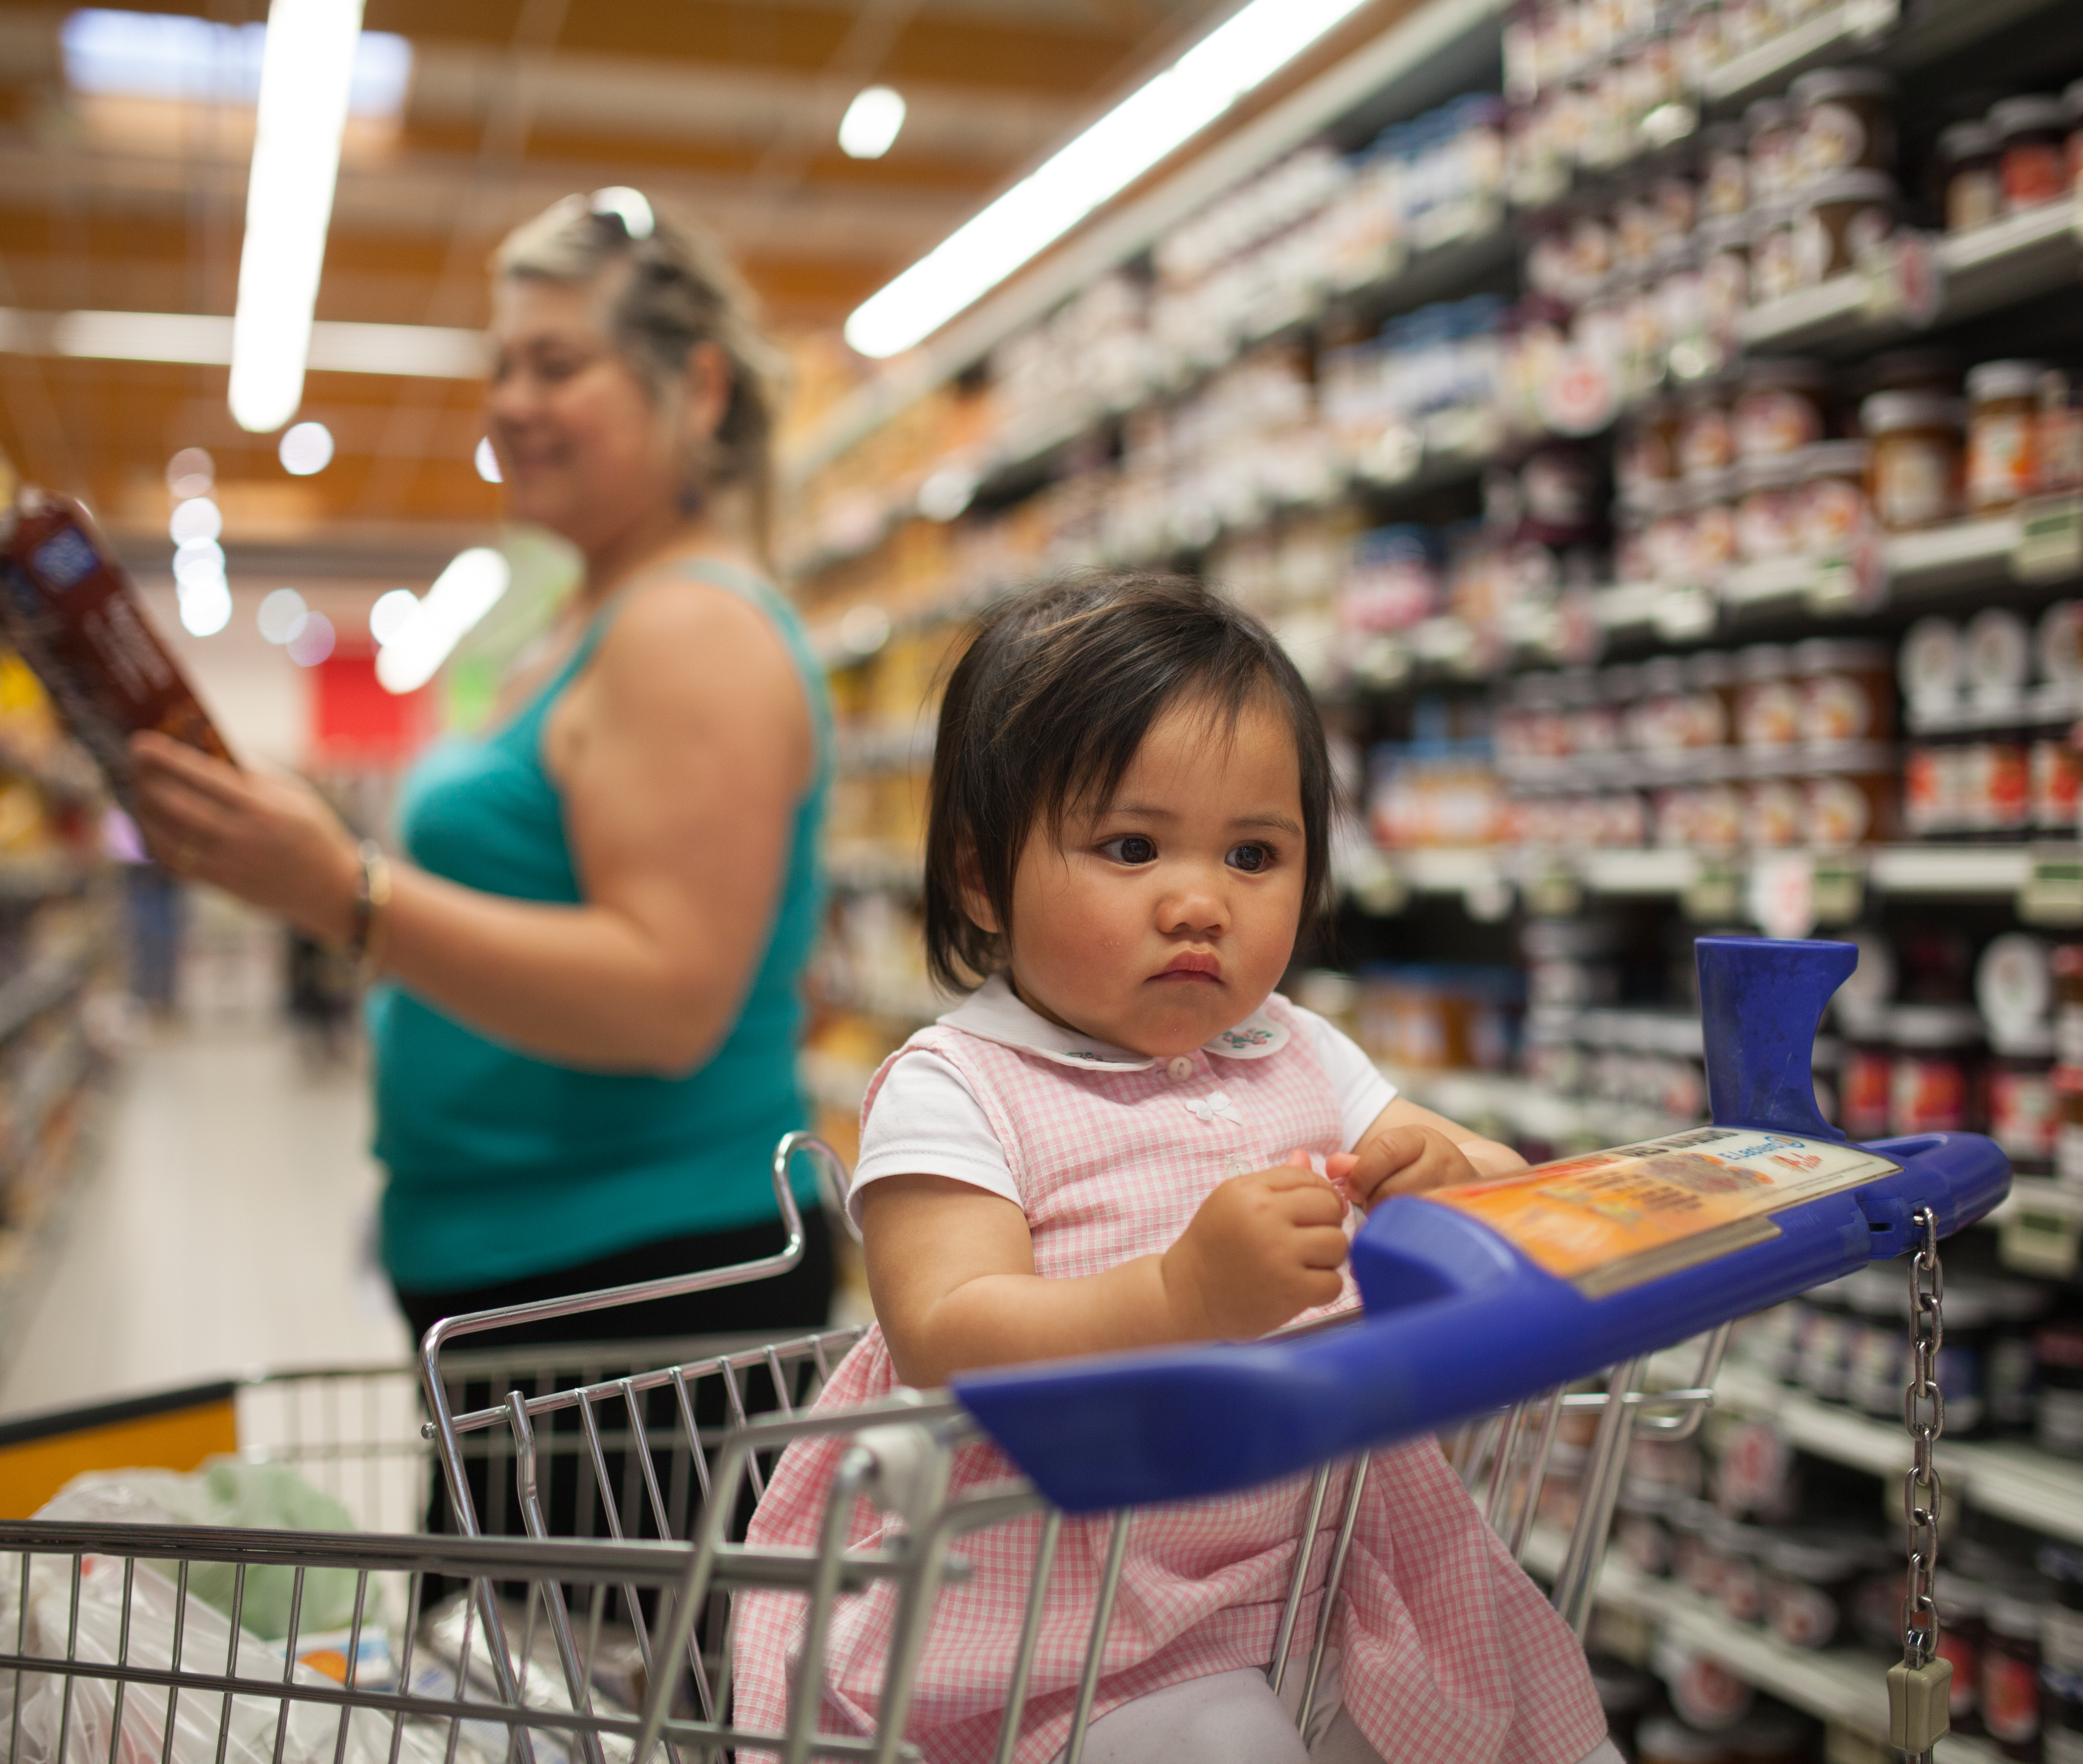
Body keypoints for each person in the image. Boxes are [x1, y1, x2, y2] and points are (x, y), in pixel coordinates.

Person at [730, 575, 1612, 1764]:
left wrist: (1448, 1174)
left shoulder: (1299, 1047)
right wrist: (1181, 1299)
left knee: (1516, 1700)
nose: (1199, 903)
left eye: (1254, 854)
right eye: (1132, 847)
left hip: (1329, 1556)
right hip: (1077, 1606)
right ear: (985, 878)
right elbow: (944, 1332)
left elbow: (1495, 1177)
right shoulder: (961, 1086)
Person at [126, 190, 837, 1504]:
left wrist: (341, 891)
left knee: (603, 1705)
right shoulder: (581, 620)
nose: (510, 401)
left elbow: (672, 996)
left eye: (556, 363)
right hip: (528, 1288)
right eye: (502, 364)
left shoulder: (693, 630)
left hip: (641, 1298)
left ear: (695, 386)